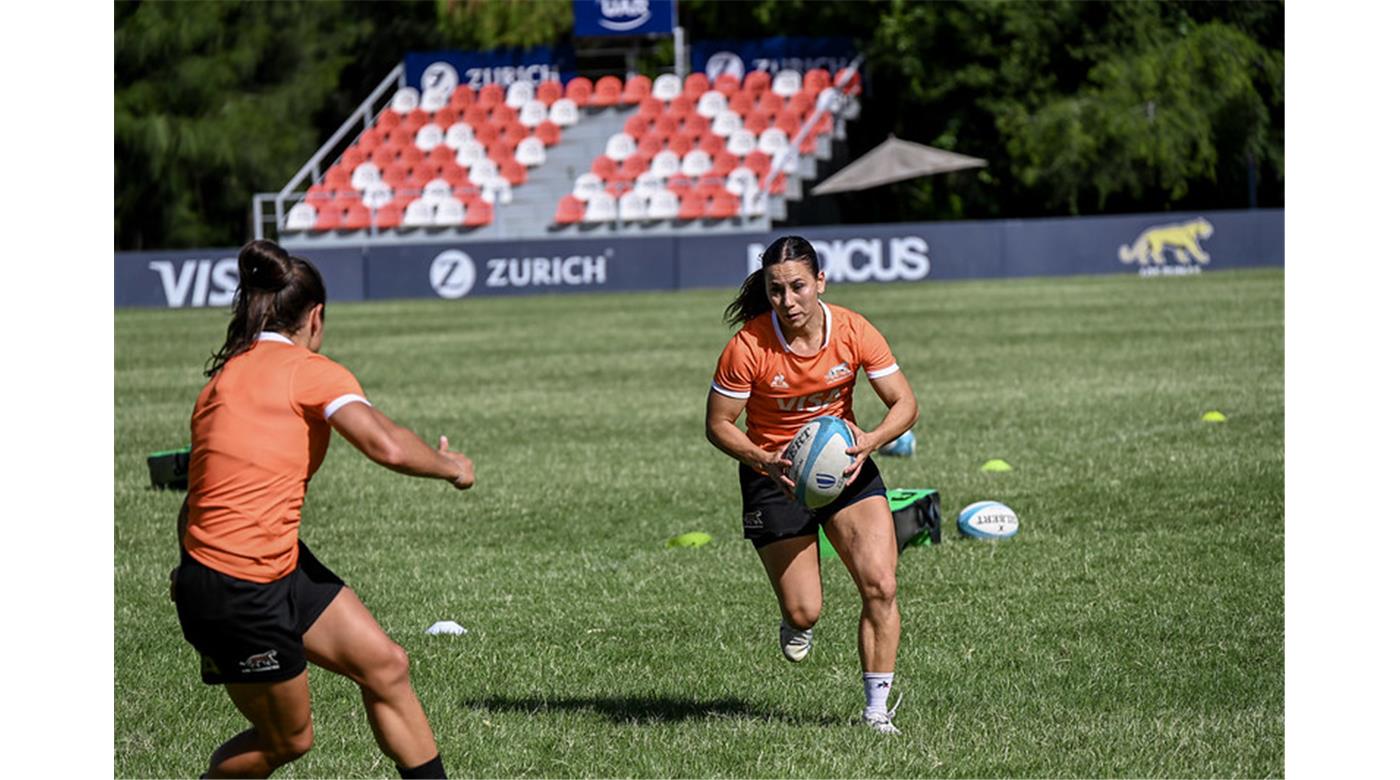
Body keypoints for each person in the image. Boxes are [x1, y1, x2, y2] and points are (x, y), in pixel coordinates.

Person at [170, 239, 474, 778]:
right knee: (287, 739)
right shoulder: (309, 369)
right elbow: (387, 445)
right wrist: (453, 467)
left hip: (262, 563)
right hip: (241, 585)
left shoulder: (223, 380)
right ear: (315, 317)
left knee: (385, 665)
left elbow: (194, 500)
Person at [705, 236, 919, 735]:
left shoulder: (853, 330)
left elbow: (904, 404)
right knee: (806, 611)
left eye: (799, 287)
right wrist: (764, 458)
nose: (789, 301)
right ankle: (795, 620)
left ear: (820, 281)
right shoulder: (748, 346)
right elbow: (719, 423)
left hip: (846, 466)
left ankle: (875, 712)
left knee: (882, 586)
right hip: (773, 477)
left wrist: (871, 440)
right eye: (776, 291)